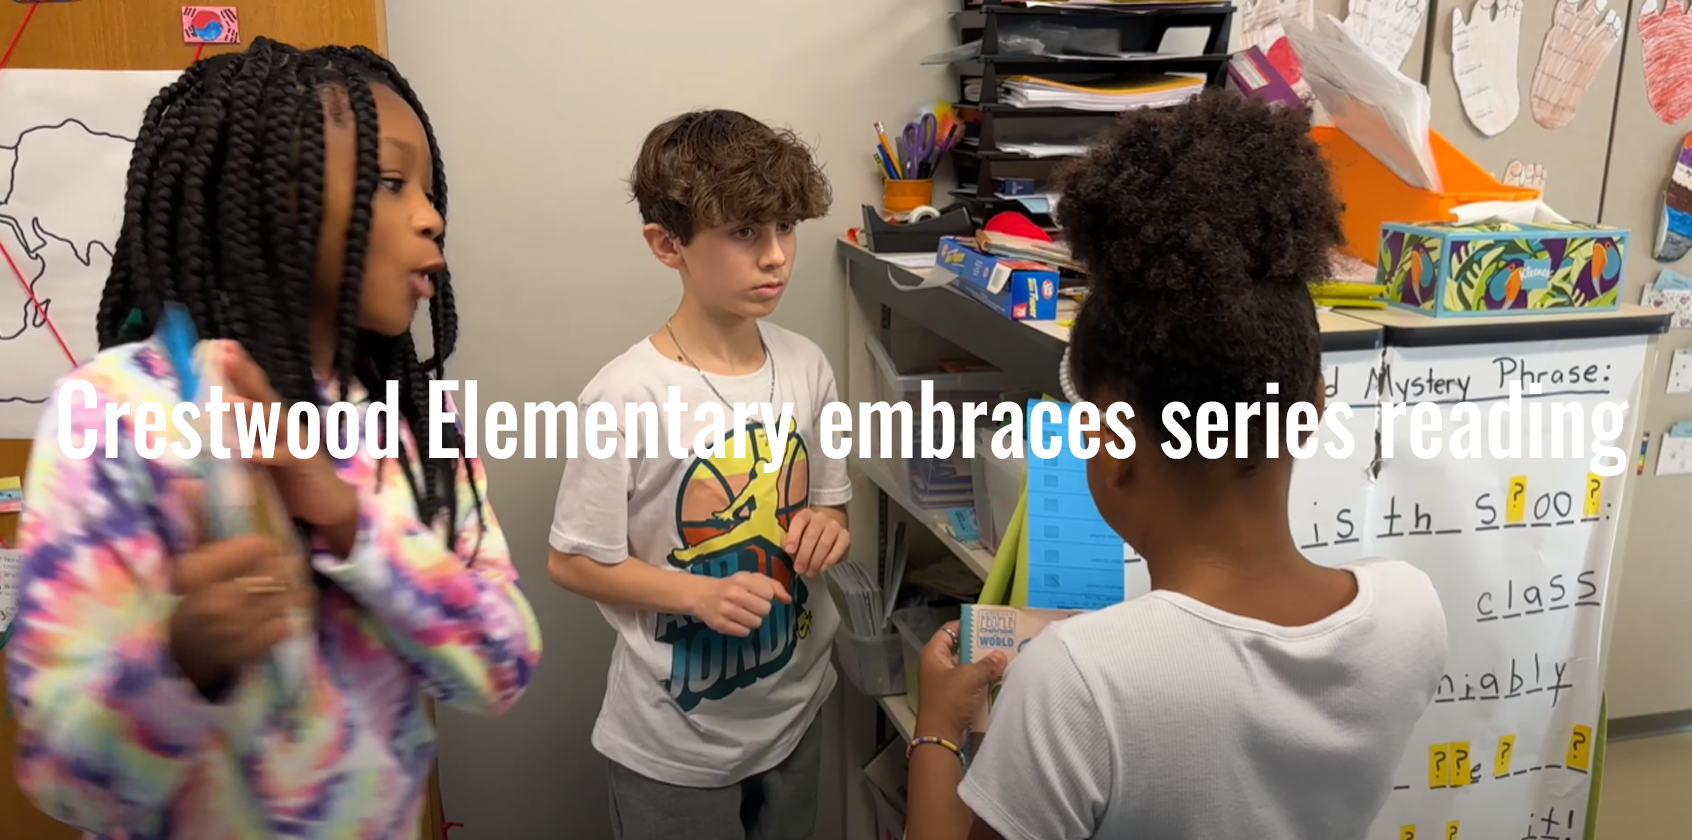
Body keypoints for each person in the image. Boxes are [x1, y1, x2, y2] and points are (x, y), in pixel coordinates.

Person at [5, 39, 542, 839]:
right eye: (391, 183)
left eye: (430, 191)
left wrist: (349, 520)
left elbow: (504, 665)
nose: (432, 216)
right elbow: (67, 782)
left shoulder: (412, 422)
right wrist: (183, 659)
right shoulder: (118, 410)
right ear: (269, 197)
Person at [905, 91, 1450, 840]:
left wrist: (938, 729)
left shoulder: (1075, 683)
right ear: (1314, 408)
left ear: (1114, 445)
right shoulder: (1410, 610)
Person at [547, 108, 851, 840]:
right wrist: (697, 594)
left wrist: (826, 526)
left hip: (795, 711)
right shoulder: (625, 395)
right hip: (675, 743)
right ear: (667, 244)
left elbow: (830, 506)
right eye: (744, 232)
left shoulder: (809, 366)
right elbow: (573, 562)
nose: (775, 257)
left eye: (785, 227)